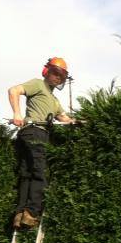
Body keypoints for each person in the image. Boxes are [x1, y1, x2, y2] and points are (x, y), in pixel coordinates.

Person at [7, 56, 78, 229]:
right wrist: (17, 113)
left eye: (61, 76)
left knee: (27, 174)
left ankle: (20, 214)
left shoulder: (54, 101)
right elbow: (13, 90)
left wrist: (78, 122)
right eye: (55, 74)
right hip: (34, 131)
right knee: (40, 172)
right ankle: (32, 213)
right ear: (47, 72)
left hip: (33, 134)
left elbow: (64, 118)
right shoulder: (38, 84)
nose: (57, 78)